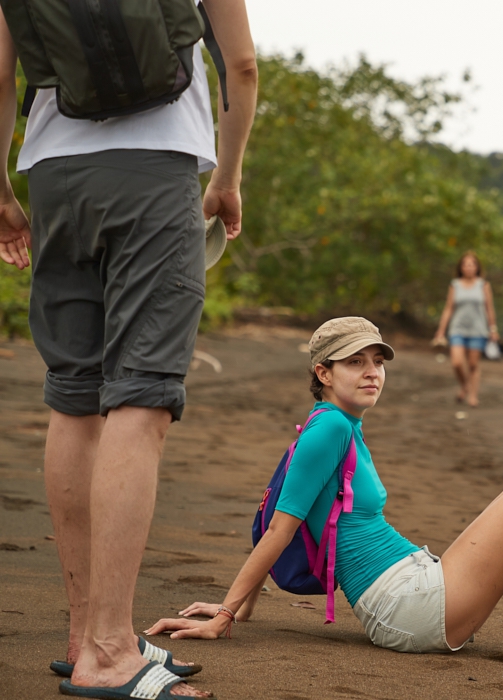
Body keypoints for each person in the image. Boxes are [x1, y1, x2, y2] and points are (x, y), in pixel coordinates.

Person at [144, 316, 503, 676]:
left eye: (378, 360)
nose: (373, 371)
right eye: (356, 362)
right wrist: (227, 616)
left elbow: (283, 516)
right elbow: (279, 527)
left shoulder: (340, 426)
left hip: (414, 586)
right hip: (403, 606)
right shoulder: (328, 431)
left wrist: (241, 606)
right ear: (323, 374)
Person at [0, 2, 258, 698]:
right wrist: (226, 178)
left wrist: (0, 188)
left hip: (55, 173)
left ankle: (86, 633)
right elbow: (241, 67)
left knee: (74, 395)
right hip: (156, 165)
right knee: (141, 397)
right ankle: (111, 652)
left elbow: (2, 72)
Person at [432, 251, 499, 407]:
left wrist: (493, 329)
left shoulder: (484, 285)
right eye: (465, 264)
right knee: (456, 362)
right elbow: (449, 308)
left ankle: (473, 395)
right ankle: (465, 385)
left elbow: (489, 308)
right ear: (461, 267)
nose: (468, 267)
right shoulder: (454, 285)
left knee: (474, 365)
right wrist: (441, 330)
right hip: (457, 328)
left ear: (477, 267)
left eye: (472, 264)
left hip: (478, 330)